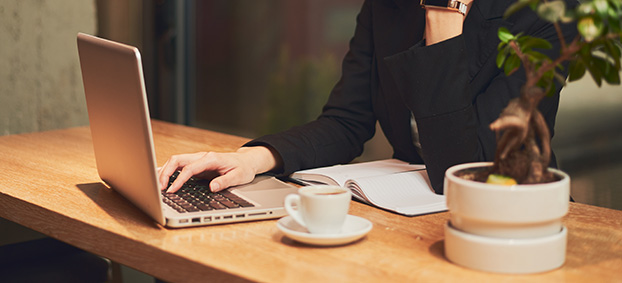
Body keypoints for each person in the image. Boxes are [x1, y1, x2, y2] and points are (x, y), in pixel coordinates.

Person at [159, 0, 578, 195]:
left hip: (514, 216)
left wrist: (443, 15)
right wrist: (250, 159)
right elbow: (346, 121)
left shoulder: (545, 14)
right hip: (410, 216)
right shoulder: (387, 6)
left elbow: (464, 172)